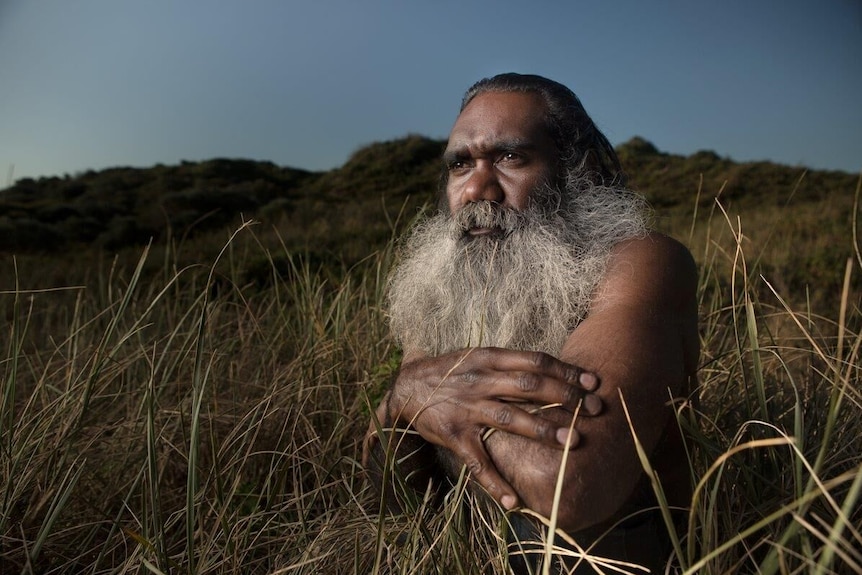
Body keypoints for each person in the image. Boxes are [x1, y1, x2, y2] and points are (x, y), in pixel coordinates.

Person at [363, 73, 699, 573]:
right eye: (460, 165)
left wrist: (431, 399)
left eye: (510, 158)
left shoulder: (640, 263)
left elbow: (565, 480)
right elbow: (391, 491)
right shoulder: (441, 291)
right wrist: (403, 392)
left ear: (574, 169)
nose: (478, 188)